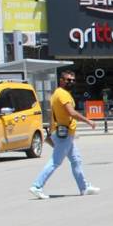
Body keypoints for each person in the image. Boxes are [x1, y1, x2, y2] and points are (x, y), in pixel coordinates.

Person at [30, 70, 99, 199]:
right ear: (61, 80)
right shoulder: (62, 94)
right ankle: (37, 186)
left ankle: (84, 187)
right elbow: (71, 113)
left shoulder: (59, 93)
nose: (71, 82)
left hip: (63, 133)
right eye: (68, 80)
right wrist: (88, 121)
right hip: (64, 134)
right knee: (55, 162)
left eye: (73, 80)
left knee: (76, 160)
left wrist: (52, 131)